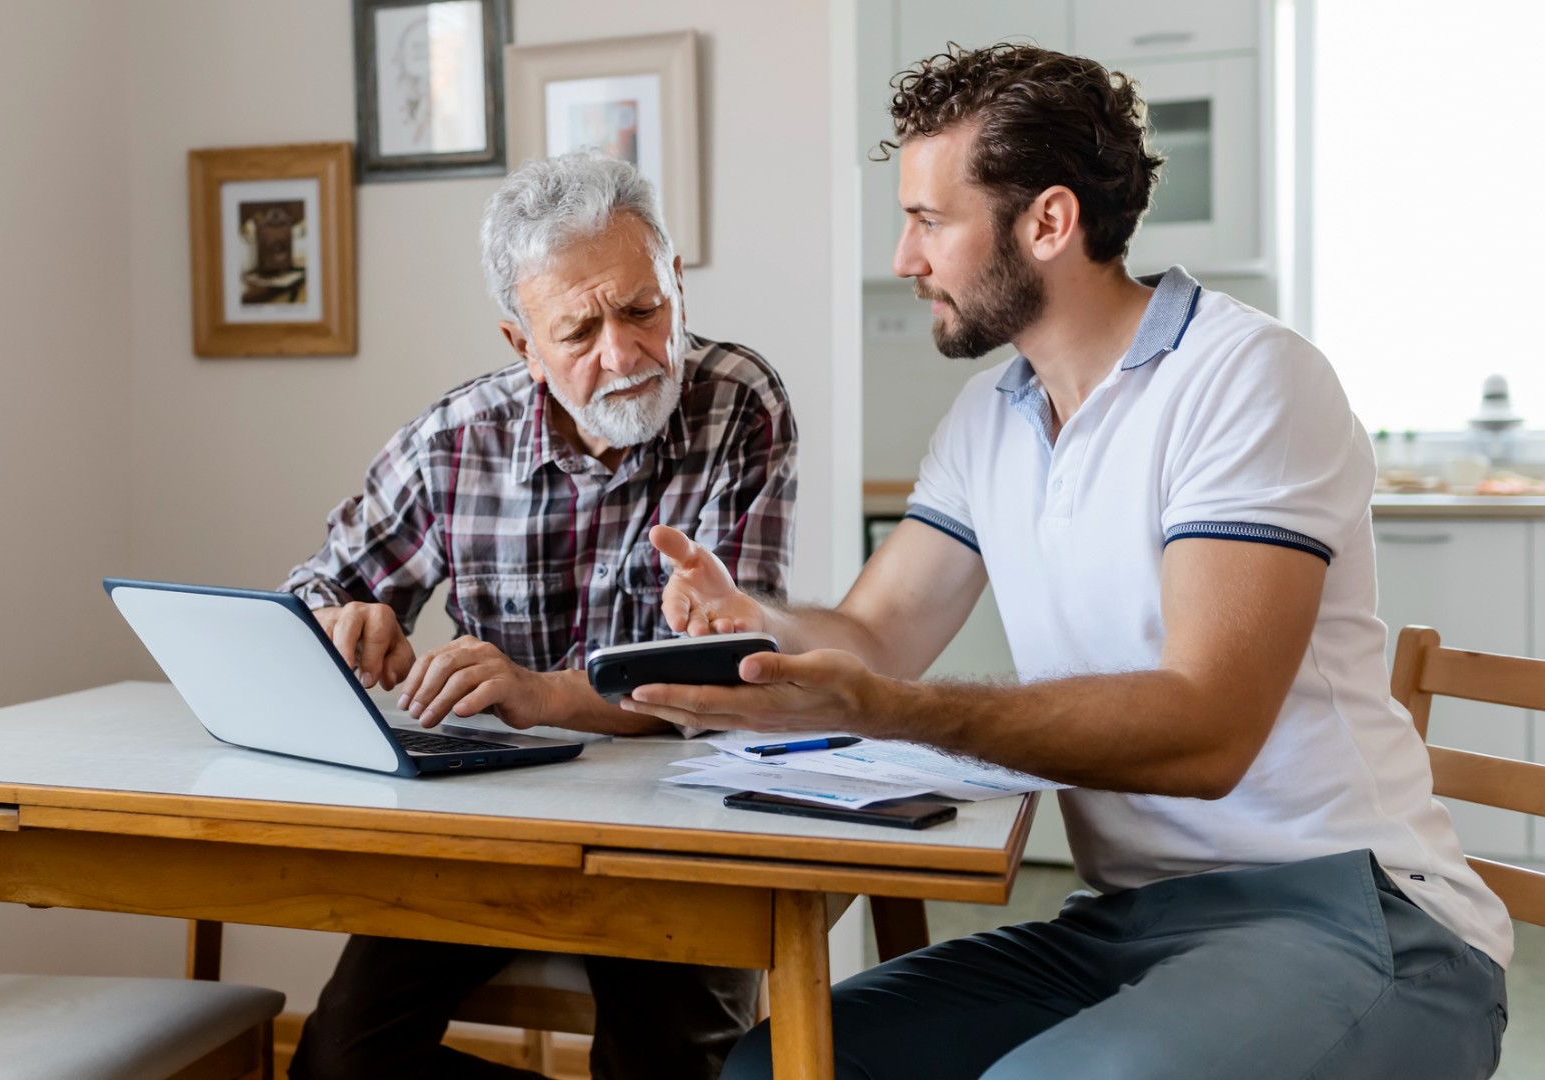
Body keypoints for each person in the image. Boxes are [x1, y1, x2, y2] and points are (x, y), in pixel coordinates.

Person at [625, 44, 1511, 1080]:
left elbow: (1205, 731)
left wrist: (880, 707)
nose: (906, 257)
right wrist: (760, 624)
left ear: (1048, 222)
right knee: (777, 1066)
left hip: (1358, 915)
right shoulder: (989, 417)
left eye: (929, 219)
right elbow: (877, 635)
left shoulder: (1245, 379)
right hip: (1124, 922)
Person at [283, 151, 799, 1080]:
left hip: (682, 821)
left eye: (644, 309)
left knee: (676, 1068)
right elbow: (317, 592)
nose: (625, 352)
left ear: (677, 282)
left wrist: (540, 693)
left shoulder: (738, 403)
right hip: (492, 822)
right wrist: (343, 625)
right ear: (522, 345)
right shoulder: (453, 441)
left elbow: (731, 683)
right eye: (578, 329)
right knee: (335, 1064)